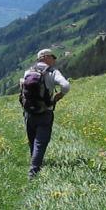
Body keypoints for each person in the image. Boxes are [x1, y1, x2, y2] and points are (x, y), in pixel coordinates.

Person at [21, 48, 70, 178]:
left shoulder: (28, 71)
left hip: (29, 112)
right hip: (45, 111)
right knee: (41, 142)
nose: (54, 60)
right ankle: (33, 172)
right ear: (45, 57)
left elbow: (22, 86)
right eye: (52, 57)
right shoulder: (53, 72)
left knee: (32, 140)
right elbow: (65, 85)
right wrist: (59, 96)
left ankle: (34, 162)